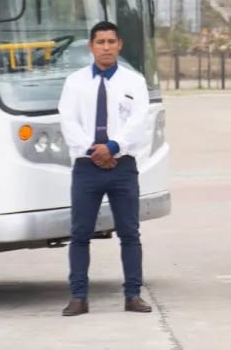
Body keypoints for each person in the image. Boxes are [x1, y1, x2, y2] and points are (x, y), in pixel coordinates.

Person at [57, 21, 155, 316]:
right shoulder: (75, 82)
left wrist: (112, 147)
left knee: (129, 233)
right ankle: (78, 297)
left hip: (122, 166)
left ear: (120, 44)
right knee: (80, 234)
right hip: (87, 167)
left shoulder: (133, 82)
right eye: (100, 42)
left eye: (111, 41)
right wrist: (93, 149)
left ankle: (133, 295)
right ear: (91, 46)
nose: (106, 47)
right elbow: (67, 120)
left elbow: (140, 120)